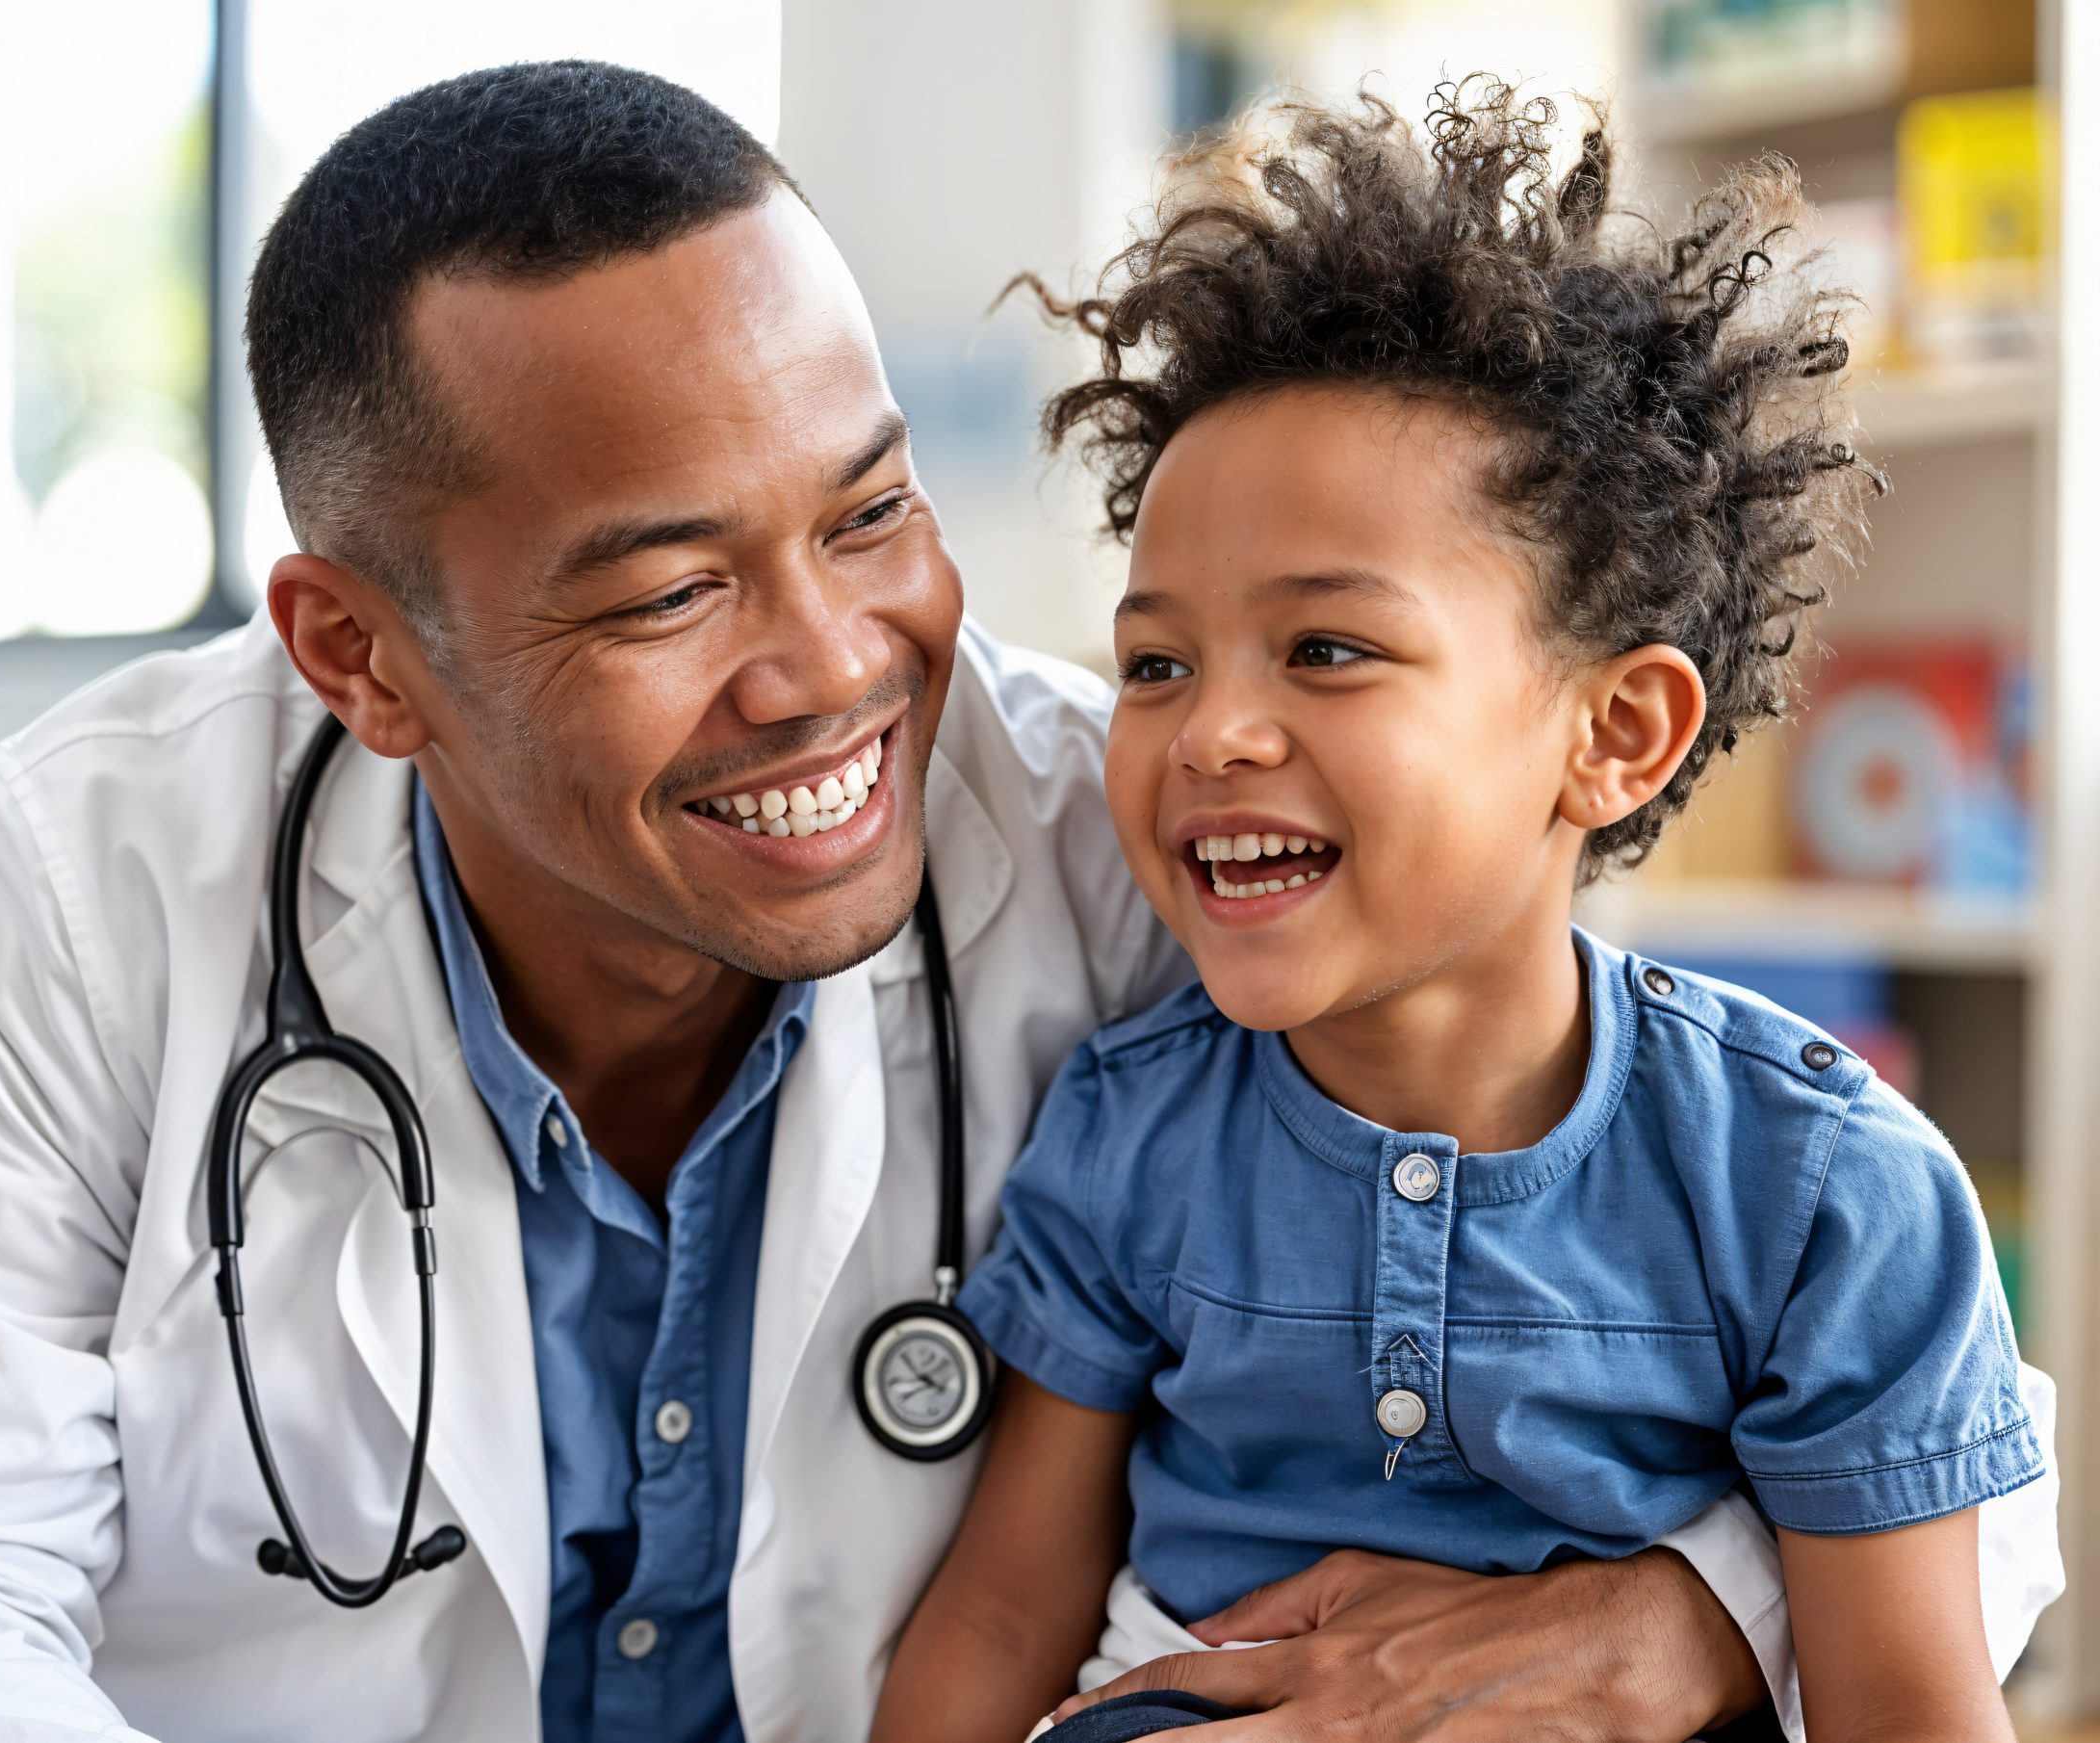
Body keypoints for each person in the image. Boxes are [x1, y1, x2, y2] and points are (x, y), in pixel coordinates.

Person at [0, 63, 2058, 1743]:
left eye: (865, 514)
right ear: (363, 655)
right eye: (664, 589)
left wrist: (1687, 1615)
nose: (834, 670)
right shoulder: (108, 862)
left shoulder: (1130, 833)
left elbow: (1909, 1406)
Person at [870, 85, 2049, 1743]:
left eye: (1326, 648)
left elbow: (1909, 1709)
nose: (1212, 732)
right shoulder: (1130, 1133)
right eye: (1156, 662)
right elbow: (1003, 1611)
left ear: (1613, 732)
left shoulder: (1824, 1195)